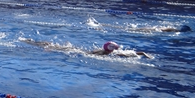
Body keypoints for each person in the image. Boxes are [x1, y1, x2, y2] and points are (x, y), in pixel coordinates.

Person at [23, 39, 152, 59]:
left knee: (52, 45)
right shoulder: (105, 53)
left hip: (78, 49)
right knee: (53, 47)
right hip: (78, 52)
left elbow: (127, 53)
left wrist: (143, 53)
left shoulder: (108, 51)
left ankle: (30, 41)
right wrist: (143, 54)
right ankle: (29, 42)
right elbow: (125, 55)